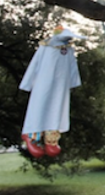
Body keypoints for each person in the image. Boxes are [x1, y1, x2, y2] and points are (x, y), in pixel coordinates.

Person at [19, 25, 87, 158]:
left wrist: (73, 82)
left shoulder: (68, 50)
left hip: (61, 85)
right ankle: (32, 135)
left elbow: (72, 66)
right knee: (39, 106)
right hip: (43, 82)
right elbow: (35, 64)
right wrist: (27, 83)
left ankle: (51, 138)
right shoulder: (45, 47)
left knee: (57, 109)